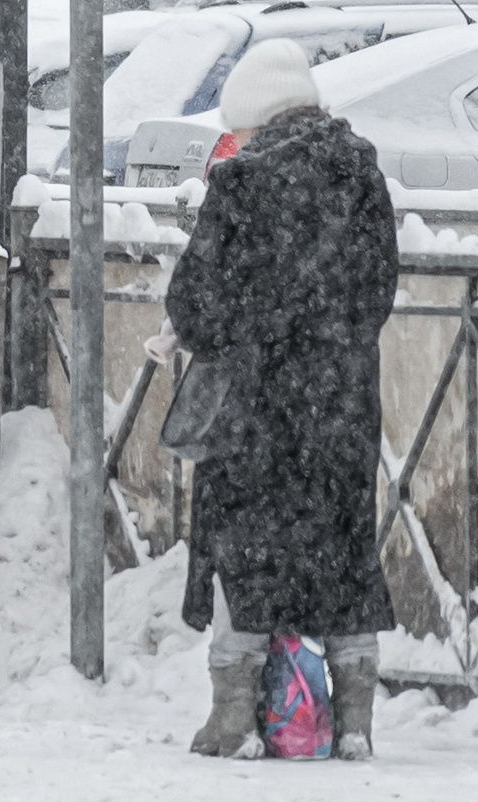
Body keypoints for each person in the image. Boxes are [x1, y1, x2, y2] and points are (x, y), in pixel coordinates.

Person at [164, 39, 396, 759]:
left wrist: (255, 330)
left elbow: (194, 308)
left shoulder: (241, 184)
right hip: (341, 403)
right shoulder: (362, 172)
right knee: (344, 550)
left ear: (254, 117)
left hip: (258, 409)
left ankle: (234, 719)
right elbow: (377, 291)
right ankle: (353, 720)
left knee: (247, 553)